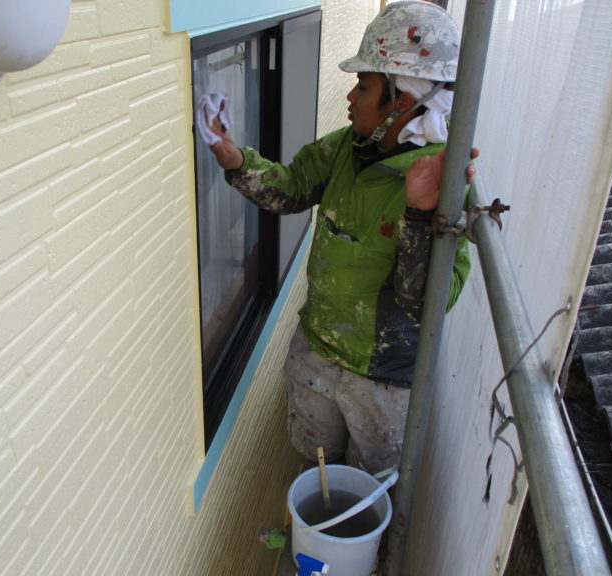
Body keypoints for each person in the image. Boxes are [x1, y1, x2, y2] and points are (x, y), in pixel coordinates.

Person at [202, 0, 476, 474]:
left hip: (384, 379)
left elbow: (426, 303)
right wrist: (233, 158)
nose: (350, 96)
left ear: (402, 102)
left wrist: (418, 214)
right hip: (317, 348)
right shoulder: (345, 148)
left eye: (364, 85)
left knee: (368, 485)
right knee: (317, 468)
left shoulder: (443, 182)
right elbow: (291, 189)